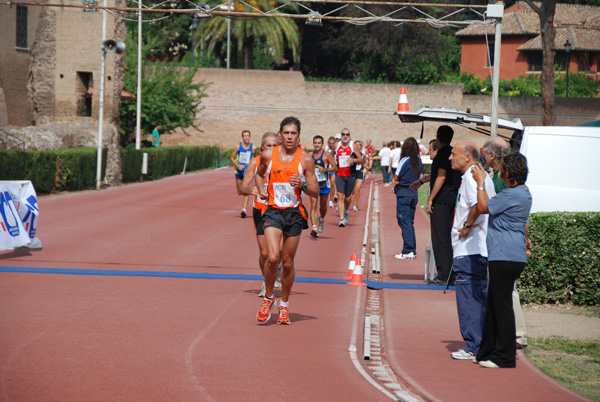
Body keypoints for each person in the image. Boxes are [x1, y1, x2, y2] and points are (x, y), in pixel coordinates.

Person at [254, 116, 319, 325]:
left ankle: (284, 305)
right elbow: (258, 174)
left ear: (298, 136)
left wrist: (301, 185)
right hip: (273, 210)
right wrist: (262, 189)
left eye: (293, 133)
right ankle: (268, 297)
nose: (289, 137)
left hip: (293, 214)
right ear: (280, 134)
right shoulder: (268, 155)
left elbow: (315, 192)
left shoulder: (305, 159)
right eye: (286, 133)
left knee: (288, 263)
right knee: (272, 257)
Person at [472, 152, 532, 368]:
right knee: (495, 302)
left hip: (504, 255)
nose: (499, 171)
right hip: (510, 254)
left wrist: (480, 183)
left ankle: (504, 357)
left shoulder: (511, 194)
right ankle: (487, 351)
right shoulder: (524, 192)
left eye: (502, 168)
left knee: (501, 305)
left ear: (509, 173)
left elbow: (483, 207)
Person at [448, 141, 496, 361]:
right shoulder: (479, 175)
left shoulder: (471, 177)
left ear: (468, 157)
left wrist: (466, 226)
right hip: (478, 249)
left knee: (469, 299)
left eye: (454, 154)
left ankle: (473, 346)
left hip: (470, 249)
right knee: (478, 298)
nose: (450, 157)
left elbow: (478, 206)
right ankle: (482, 344)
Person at [482, 137, 529, 349]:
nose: (483, 156)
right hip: (505, 243)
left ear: (492, 155)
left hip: (504, 247)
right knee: (501, 294)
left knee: (506, 293)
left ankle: (515, 337)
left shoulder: (503, 180)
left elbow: (489, 207)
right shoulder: (501, 177)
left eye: (485, 152)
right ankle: (506, 338)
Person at [410, 126, 461, 285]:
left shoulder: (442, 155)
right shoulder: (452, 153)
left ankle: (444, 275)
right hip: (450, 198)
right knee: (445, 236)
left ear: (438, 137)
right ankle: (448, 273)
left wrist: (431, 199)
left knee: (440, 238)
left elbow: (441, 177)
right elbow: (438, 175)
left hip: (442, 200)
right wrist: (422, 181)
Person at [240, 132, 282, 297]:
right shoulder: (255, 162)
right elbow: (242, 188)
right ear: (262, 146)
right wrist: (251, 190)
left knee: (277, 252)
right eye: (268, 146)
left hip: (279, 210)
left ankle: (275, 270)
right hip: (260, 210)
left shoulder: (286, 162)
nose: (271, 149)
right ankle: (267, 281)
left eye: (275, 146)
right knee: (265, 253)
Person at [393, 137, 423, 260]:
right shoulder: (419, 160)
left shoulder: (404, 160)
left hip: (404, 193)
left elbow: (396, 177)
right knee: (409, 223)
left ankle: (408, 250)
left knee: (404, 222)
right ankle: (412, 250)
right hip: (413, 194)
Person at [309, 135, 337, 237]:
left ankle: (321, 219)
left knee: (322, 207)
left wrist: (325, 170)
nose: (317, 145)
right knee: (313, 205)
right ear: (313, 143)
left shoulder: (327, 155)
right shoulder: (309, 155)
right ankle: (314, 228)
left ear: (322, 144)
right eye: (315, 143)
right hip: (313, 185)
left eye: (319, 143)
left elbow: (335, 168)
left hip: (324, 184)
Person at [334, 128, 362, 227]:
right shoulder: (336, 145)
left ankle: (346, 211)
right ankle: (341, 219)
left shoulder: (352, 145)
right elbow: (330, 156)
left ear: (349, 135)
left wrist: (353, 160)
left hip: (350, 175)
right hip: (339, 175)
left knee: (347, 198)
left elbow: (361, 160)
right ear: (341, 135)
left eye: (347, 134)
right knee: (340, 196)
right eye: (343, 134)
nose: (345, 136)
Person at [230, 130, 254, 218]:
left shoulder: (253, 148)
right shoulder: (238, 147)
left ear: (250, 137)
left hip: (248, 173)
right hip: (239, 172)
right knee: (240, 192)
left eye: (248, 136)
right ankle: (243, 207)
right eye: (244, 136)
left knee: (246, 192)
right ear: (242, 137)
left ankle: (244, 209)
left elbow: (256, 158)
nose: (246, 137)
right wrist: (237, 165)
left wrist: (252, 167)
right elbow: (231, 158)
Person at [350, 140, 366, 212]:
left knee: (357, 189)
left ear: (360, 147)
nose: (357, 146)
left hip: (359, 172)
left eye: (358, 145)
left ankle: (355, 205)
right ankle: (343, 204)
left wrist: (366, 169)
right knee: (351, 191)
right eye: (355, 145)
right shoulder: (351, 154)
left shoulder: (363, 155)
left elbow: (363, 163)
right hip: (352, 172)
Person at [326, 136, 338, 209]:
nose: (331, 145)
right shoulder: (325, 149)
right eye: (330, 143)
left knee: (332, 184)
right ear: (328, 143)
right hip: (326, 169)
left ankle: (330, 201)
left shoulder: (336, 150)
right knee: (327, 185)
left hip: (333, 169)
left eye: (333, 143)